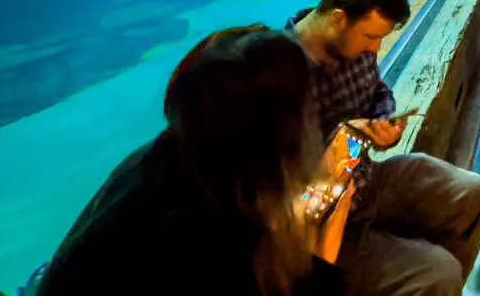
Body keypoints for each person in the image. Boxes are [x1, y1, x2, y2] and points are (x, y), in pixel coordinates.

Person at [39, 26, 348, 296]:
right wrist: (331, 228)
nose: (315, 124)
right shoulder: (198, 239)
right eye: (308, 111)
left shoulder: (171, 159)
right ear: (278, 137)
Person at [290, 0, 480, 294]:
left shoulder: (351, 43)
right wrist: (347, 138)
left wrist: (384, 122)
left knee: (471, 192)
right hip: (323, 219)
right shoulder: (280, 73)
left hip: (368, 181)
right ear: (339, 18)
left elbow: (377, 92)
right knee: (438, 273)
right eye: (370, 38)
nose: (374, 50)